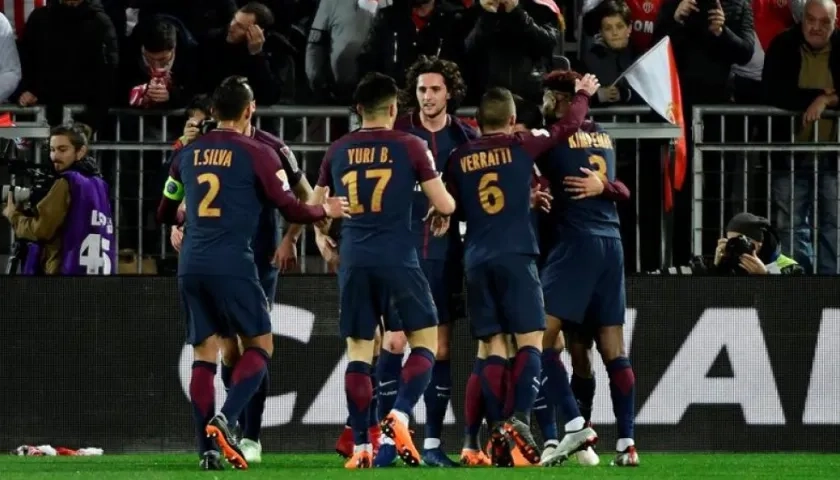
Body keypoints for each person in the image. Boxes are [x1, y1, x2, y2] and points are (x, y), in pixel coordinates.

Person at [156, 76, 349, 471]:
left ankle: (207, 451)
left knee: (204, 354)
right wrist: (324, 211)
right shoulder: (260, 153)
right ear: (249, 110)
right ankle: (226, 420)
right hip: (234, 263)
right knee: (260, 346)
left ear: (213, 112)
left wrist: (182, 218)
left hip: (191, 264)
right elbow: (292, 206)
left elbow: (163, 211)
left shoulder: (186, 153)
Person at [442, 78, 599, 467]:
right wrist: (583, 93)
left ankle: (496, 429)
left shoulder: (458, 156)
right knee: (531, 341)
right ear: (512, 120)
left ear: (477, 122)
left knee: (492, 347)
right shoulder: (522, 144)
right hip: (516, 255)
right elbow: (568, 126)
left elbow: (452, 205)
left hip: (476, 258)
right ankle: (520, 421)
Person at [313, 72, 456, 469]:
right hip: (398, 258)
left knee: (359, 353)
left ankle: (362, 446)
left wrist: (323, 235)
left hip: (354, 258)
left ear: (359, 109)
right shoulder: (411, 145)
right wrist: (439, 207)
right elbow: (446, 204)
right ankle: (400, 413)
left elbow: (316, 208)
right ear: (394, 108)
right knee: (426, 342)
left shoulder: (338, 149)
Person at [535, 70, 637, 467]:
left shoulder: (557, 135)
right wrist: (605, 187)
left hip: (576, 243)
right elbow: (622, 189)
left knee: (540, 337)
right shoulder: (604, 137)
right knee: (605, 348)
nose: (543, 102)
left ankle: (576, 426)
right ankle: (626, 444)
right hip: (611, 243)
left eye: (548, 95)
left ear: (563, 99)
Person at [3, 124, 115, 275]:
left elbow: (41, 230)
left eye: (62, 150)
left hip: (64, 276)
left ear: (80, 151)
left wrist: (13, 215)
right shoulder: (100, 184)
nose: (55, 157)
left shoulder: (67, 182)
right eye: (52, 150)